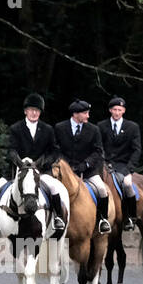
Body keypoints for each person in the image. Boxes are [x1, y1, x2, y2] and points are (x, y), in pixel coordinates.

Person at [0, 93, 65, 237]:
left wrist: (42, 162)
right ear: (25, 111)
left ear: (40, 112)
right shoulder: (16, 128)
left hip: (41, 170)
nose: (34, 112)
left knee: (54, 187)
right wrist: (20, 163)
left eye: (37, 110)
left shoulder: (47, 129)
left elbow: (54, 151)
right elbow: (11, 150)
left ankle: (58, 218)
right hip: (18, 169)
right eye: (31, 109)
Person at [53, 99, 111, 234]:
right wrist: (66, 164)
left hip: (88, 171)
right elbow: (55, 149)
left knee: (102, 190)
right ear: (75, 114)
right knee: (50, 189)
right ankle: (55, 218)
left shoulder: (94, 129)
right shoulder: (60, 128)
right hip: (64, 170)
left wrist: (85, 164)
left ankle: (102, 220)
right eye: (85, 113)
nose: (88, 116)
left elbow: (98, 151)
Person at [98, 97, 142, 226]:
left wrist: (130, 168)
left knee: (127, 184)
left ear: (124, 111)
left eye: (120, 110)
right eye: (115, 110)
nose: (117, 112)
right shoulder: (101, 126)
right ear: (110, 110)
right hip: (104, 164)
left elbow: (136, 150)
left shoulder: (132, 127)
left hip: (123, 165)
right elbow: (98, 147)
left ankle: (130, 216)